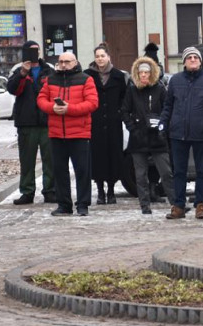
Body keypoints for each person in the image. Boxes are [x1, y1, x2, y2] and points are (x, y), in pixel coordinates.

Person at [160, 46, 203, 220]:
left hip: (202, 133)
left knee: (202, 171)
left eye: (195, 58)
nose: (193, 60)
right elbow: (168, 106)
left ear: (200, 61)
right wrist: (163, 125)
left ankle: (200, 205)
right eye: (189, 58)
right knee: (179, 171)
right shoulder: (175, 80)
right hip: (178, 133)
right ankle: (178, 205)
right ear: (184, 62)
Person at [37, 51, 99, 216]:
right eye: (61, 61)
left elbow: (92, 104)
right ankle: (64, 205)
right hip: (57, 134)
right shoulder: (50, 79)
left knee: (82, 171)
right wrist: (52, 108)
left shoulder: (86, 79)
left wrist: (69, 109)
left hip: (79, 133)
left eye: (67, 61)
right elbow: (41, 99)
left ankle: (83, 205)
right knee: (59, 171)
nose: (63, 64)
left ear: (75, 62)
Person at [122, 57, 175, 215]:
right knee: (140, 175)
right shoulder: (132, 90)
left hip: (157, 137)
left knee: (166, 172)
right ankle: (144, 205)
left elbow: (167, 108)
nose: (144, 75)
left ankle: (175, 203)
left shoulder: (159, 89)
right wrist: (132, 127)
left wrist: (162, 126)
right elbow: (124, 110)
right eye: (141, 73)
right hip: (138, 138)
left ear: (151, 73)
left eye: (146, 72)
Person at [6, 40, 54, 205]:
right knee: (26, 160)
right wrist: (22, 73)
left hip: (47, 121)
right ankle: (27, 192)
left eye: (37, 51)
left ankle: (50, 191)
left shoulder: (49, 69)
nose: (35, 54)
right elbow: (11, 89)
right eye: (31, 51)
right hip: (26, 122)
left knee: (50, 160)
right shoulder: (17, 70)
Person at [85, 44, 127, 205]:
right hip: (95, 123)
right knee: (97, 157)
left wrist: (119, 113)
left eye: (102, 56)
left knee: (113, 156)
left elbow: (124, 97)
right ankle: (100, 191)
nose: (100, 59)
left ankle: (111, 190)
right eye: (97, 56)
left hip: (113, 123)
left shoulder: (118, 76)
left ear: (108, 57)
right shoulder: (88, 75)